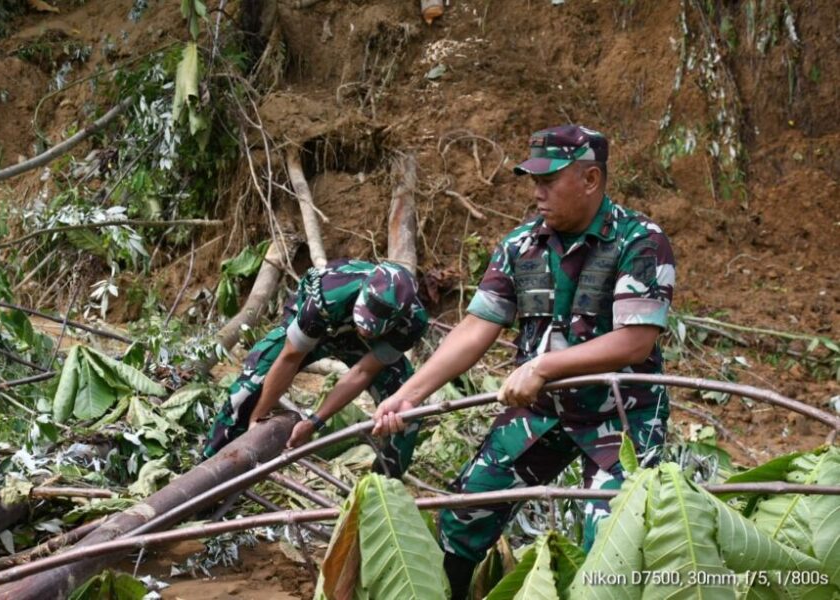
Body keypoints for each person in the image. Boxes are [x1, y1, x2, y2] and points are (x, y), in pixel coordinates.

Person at [371, 125, 675, 598]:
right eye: (533, 181)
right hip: (542, 411)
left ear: (591, 179)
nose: (537, 194)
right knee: (466, 511)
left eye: (549, 182)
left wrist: (543, 367)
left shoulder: (640, 241)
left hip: (620, 414)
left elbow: (633, 342)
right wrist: (407, 396)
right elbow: (474, 330)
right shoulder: (521, 246)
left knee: (614, 542)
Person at [204, 258, 428, 478]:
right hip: (322, 324)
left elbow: (363, 371)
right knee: (246, 390)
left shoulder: (412, 323)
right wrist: (257, 418)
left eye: (373, 325)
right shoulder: (330, 292)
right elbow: (291, 357)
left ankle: (381, 489)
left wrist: (314, 422)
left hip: (366, 349)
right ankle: (207, 466)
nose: (365, 327)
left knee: (406, 414)